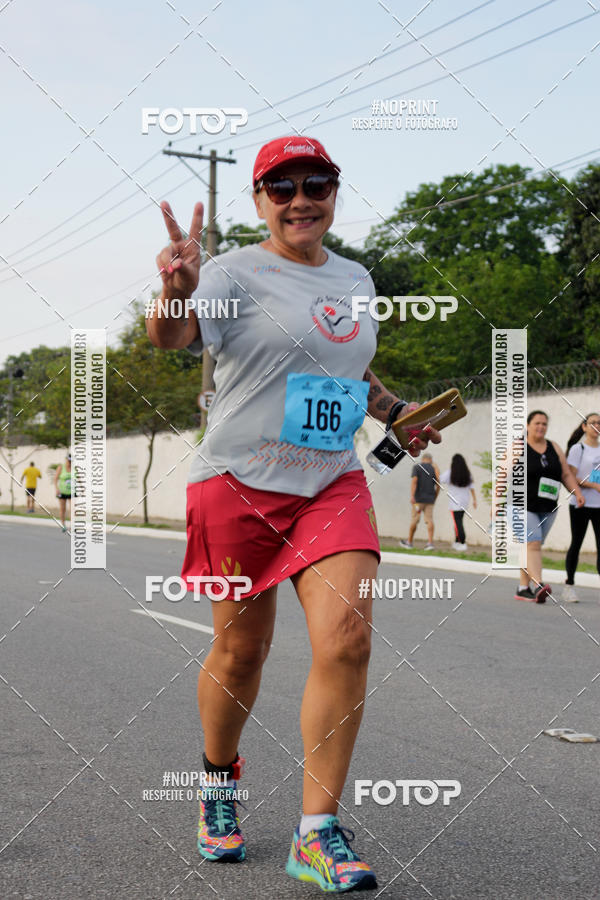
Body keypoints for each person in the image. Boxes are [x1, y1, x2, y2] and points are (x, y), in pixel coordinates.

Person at [147, 136, 441, 893]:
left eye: (316, 184)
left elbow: (349, 367)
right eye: (282, 188)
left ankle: (316, 835)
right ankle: (218, 784)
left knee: (347, 637)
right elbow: (173, 337)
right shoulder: (229, 272)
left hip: (330, 482)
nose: (301, 200)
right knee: (242, 654)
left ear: (334, 192)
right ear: (259, 200)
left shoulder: (355, 277)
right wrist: (176, 289)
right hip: (238, 483)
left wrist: (395, 412)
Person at [516, 410, 584, 603]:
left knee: (530, 546)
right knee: (533, 543)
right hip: (522, 504)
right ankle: (539, 585)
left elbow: (565, 474)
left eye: (544, 424)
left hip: (548, 506)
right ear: (528, 425)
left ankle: (523, 588)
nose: (541, 427)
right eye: (537, 423)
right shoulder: (518, 447)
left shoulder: (554, 447)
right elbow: (503, 474)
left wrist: (577, 493)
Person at [563, 413, 600, 602]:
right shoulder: (579, 449)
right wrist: (593, 485)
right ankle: (569, 586)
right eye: (593, 423)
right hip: (581, 503)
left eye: (599, 423)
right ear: (584, 427)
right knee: (576, 543)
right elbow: (571, 476)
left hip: (599, 505)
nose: (597, 426)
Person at [399, 452, 439, 550]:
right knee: (429, 520)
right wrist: (435, 496)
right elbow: (438, 484)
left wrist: (412, 496)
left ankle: (409, 542)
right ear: (431, 460)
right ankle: (430, 543)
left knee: (415, 519)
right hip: (430, 500)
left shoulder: (417, 467)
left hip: (418, 500)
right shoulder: (434, 469)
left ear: (423, 459)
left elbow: (414, 482)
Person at [440, 454, 476, 551]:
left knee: (458, 523)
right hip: (464, 502)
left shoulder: (450, 472)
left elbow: (440, 479)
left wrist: (435, 469)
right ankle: (457, 542)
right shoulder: (467, 473)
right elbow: (472, 488)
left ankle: (462, 543)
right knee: (458, 522)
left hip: (454, 502)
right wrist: (474, 500)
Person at [54, 453, 72, 532]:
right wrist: (57, 489)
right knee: (63, 509)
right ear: (66, 460)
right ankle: (63, 525)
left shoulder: (74, 468)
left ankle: (72, 526)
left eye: (71, 461)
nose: (70, 462)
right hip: (62, 491)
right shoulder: (61, 467)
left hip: (72, 491)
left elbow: (78, 478)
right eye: (69, 461)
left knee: (73, 509)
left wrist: (81, 487)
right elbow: (55, 479)